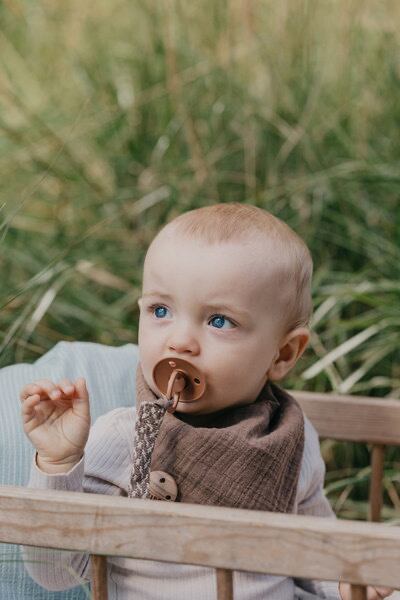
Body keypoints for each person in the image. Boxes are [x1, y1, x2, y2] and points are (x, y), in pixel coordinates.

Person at [20, 203, 392, 600]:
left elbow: (314, 554)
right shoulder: (125, 438)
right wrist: (58, 463)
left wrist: (346, 583)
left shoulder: (290, 439)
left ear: (283, 354)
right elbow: (56, 571)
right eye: (160, 310)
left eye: (219, 321)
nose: (180, 341)